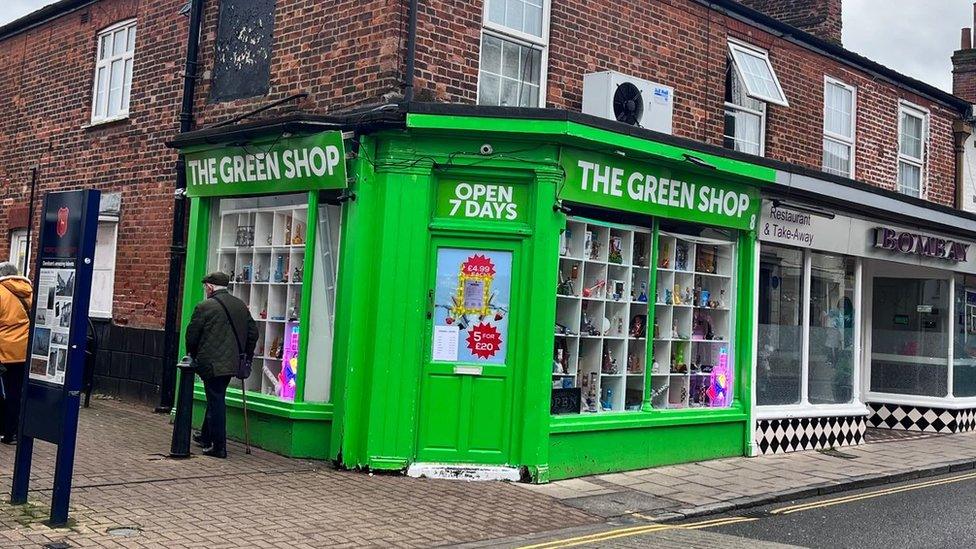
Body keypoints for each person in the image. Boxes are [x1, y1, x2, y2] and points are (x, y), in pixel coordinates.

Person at [185, 272, 257, 458]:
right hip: (232, 362)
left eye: (205, 287)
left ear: (210, 287)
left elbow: (192, 335)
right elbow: (253, 333)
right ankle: (205, 435)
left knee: (216, 401)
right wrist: (245, 355)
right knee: (215, 397)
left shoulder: (204, 307)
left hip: (211, 363)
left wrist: (191, 355)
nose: (205, 290)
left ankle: (219, 447)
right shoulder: (240, 306)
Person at [0, 262, 33, 444]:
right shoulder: (28, 291)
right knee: (17, 391)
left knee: (5, 391)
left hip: (4, 351)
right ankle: (14, 432)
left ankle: (7, 430)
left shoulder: (1, 292)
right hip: (25, 351)